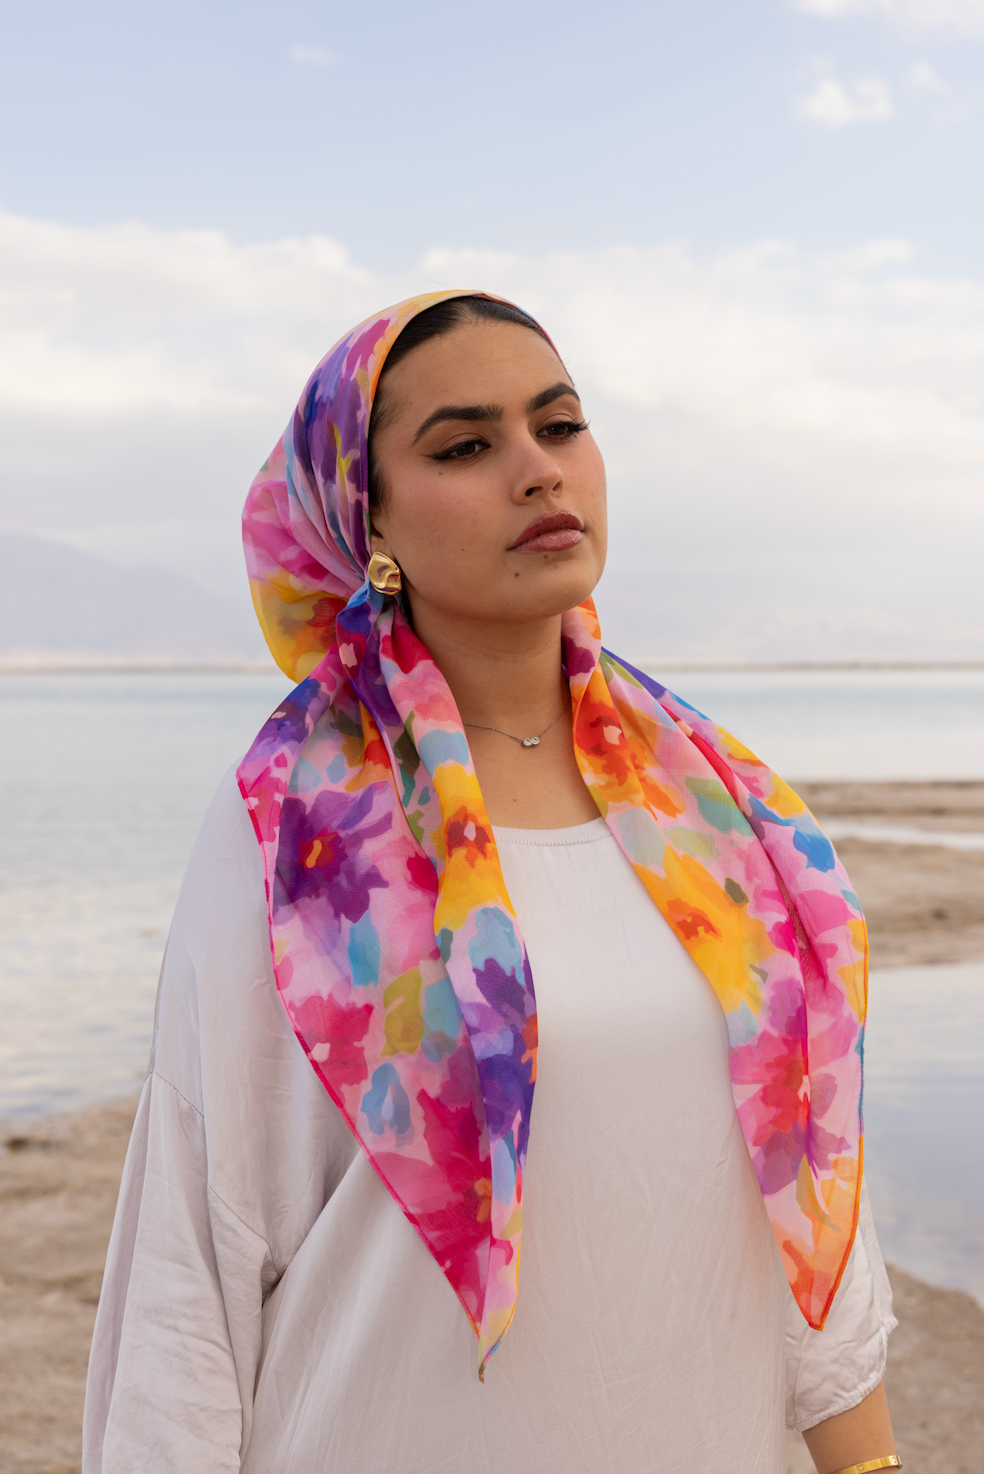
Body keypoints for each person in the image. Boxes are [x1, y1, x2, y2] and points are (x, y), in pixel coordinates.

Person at [83, 292, 899, 1473]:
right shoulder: (301, 821)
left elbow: (809, 1182)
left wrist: (866, 1461)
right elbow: (195, 1250)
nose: (537, 469)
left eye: (559, 426)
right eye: (466, 445)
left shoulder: (717, 805)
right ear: (364, 516)